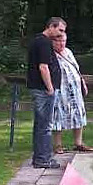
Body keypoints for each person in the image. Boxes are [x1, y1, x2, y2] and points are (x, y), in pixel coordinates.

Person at [26, 17, 67, 169]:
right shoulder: (43, 42)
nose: (60, 34)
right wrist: (50, 88)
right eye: (59, 30)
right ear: (51, 26)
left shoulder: (39, 40)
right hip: (43, 90)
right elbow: (43, 67)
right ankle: (43, 159)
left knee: (41, 124)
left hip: (40, 89)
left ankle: (41, 157)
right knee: (45, 125)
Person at [50, 33, 93, 153]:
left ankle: (78, 143)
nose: (61, 44)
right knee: (58, 116)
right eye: (59, 41)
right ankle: (58, 145)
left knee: (78, 114)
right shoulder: (50, 54)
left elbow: (76, 68)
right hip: (60, 90)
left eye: (63, 41)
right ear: (53, 42)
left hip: (75, 89)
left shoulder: (68, 52)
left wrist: (82, 83)